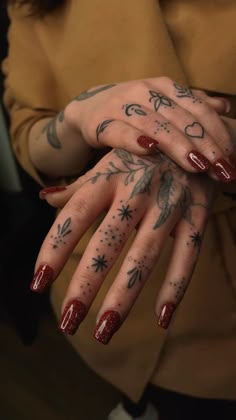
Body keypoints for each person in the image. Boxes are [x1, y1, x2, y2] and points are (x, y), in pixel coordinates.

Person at [3, 1, 236, 419]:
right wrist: (77, 117)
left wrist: (211, 141)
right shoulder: (36, 8)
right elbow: (29, 129)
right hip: (101, 284)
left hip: (218, 327)